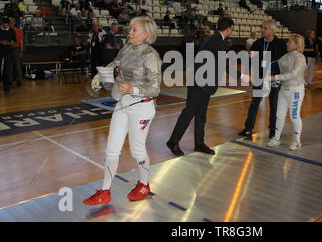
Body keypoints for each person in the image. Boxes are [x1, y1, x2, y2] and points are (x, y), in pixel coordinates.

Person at [83, 16, 162, 206]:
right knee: (112, 148)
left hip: (142, 106)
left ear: (146, 34)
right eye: (130, 29)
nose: (129, 32)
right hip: (122, 103)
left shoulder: (151, 55)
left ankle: (144, 184)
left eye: (134, 30)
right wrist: (99, 76)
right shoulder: (127, 48)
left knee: (137, 149)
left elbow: (155, 88)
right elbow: (115, 64)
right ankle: (105, 190)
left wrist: (133, 89)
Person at [166, 17, 240, 156]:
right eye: (232, 28)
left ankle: (199, 143)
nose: (232, 30)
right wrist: (241, 76)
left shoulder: (214, 39)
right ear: (228, 28)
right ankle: (173, 141)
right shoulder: (218, 42)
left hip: (204, 83)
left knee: (201, 115)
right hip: (199, 83)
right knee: (189, 112)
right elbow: (225, 65)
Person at [238, 19, 288, 140]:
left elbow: (285, 64)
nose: (262, 30)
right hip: (259, 79)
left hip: (274, 79)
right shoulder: (257, 44)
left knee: (273, 105)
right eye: (262, 27)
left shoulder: (281, 44)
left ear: (272, 29)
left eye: (265, 28)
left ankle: (272, 129)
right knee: (254, 104)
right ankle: (248, 128)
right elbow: (252, 62)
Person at [267, 34, 306, 150]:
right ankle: (276, 138)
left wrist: (275, 77)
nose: (287, 43)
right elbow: (276, 65)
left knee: (294, 116)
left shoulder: (300, 58)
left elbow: (294, 74)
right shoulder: (286, 56)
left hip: (295, 90)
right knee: (279, 115)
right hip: (284, 90)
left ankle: (297, 141)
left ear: (296, 44)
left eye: (289, 41)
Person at [0, 18, 16, 93]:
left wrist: (8, 43)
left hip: (8, 52)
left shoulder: (12, 30)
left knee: (7, 70)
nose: (6, 25)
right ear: (2, 23)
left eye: (7, 24)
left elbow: (14, 42)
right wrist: (1, 42)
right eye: (5, 24)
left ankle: (6, 87)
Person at [10, 17, 23, 86]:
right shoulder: (7, 31)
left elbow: (21, 42)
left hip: (16, 49)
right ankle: (10, 80)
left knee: (18, 66)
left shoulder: (18, 31)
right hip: (9, 50)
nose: (11, 23)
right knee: (10, 66)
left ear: (14, 23)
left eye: (12, 22)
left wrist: (21, 51)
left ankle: (19, 80)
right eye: (10, 22)